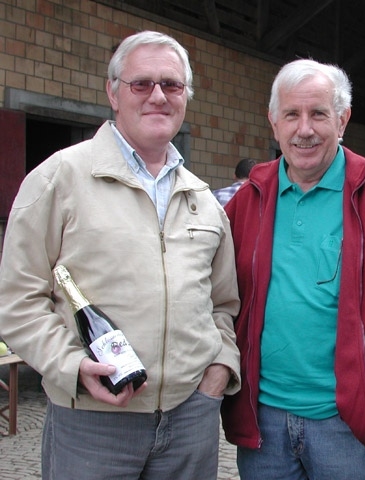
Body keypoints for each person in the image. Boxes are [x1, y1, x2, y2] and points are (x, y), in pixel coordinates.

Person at [0, 31, 241, 480]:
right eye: (141, 83)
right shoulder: (58, 179)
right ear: (113, 93)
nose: (158, 96)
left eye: (171, 85)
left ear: (185, 96)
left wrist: (219, 371)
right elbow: (17, 299)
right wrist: (71, 366)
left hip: (191, 420)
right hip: (93, 422)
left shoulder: (203, 199)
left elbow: (223, 304)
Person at [220, 58, 365, 479]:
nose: (304, 129)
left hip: (346, 423)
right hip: (264, 420)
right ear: (273, 123)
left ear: (343, 120)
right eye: (291, 115)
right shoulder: (249, 199)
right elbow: (216, 294)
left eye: (318, 114)